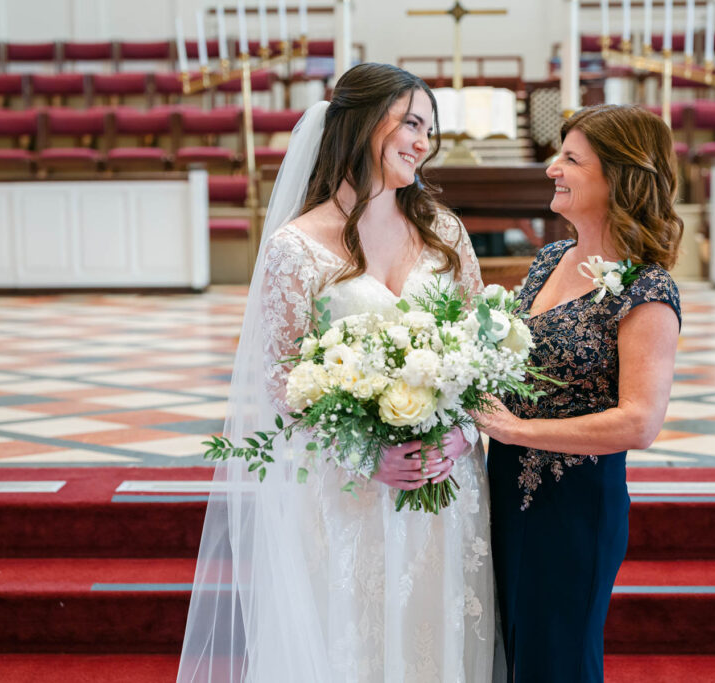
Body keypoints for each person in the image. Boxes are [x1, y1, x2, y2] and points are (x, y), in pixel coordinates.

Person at [177, 63, 495, 682]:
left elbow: (483, 353)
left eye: (429, 129)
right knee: (355, 642)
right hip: (351, 492)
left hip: (445, 487)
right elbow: (283, 380)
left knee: (440, 638)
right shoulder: (297, 247)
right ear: (360, 125)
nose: (423, 142)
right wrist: (368, 455)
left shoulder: (446, 234)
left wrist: (462, 434)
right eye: (410, 123)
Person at [477, 104, 683, 683]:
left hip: (573, 508)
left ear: (618, 177)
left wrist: (517, 430)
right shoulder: (549, 260)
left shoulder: (647, 289)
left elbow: (640, 422)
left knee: (557, 661)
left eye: (570, 159)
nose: (551, 169)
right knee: (512, 654)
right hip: (505, 492)